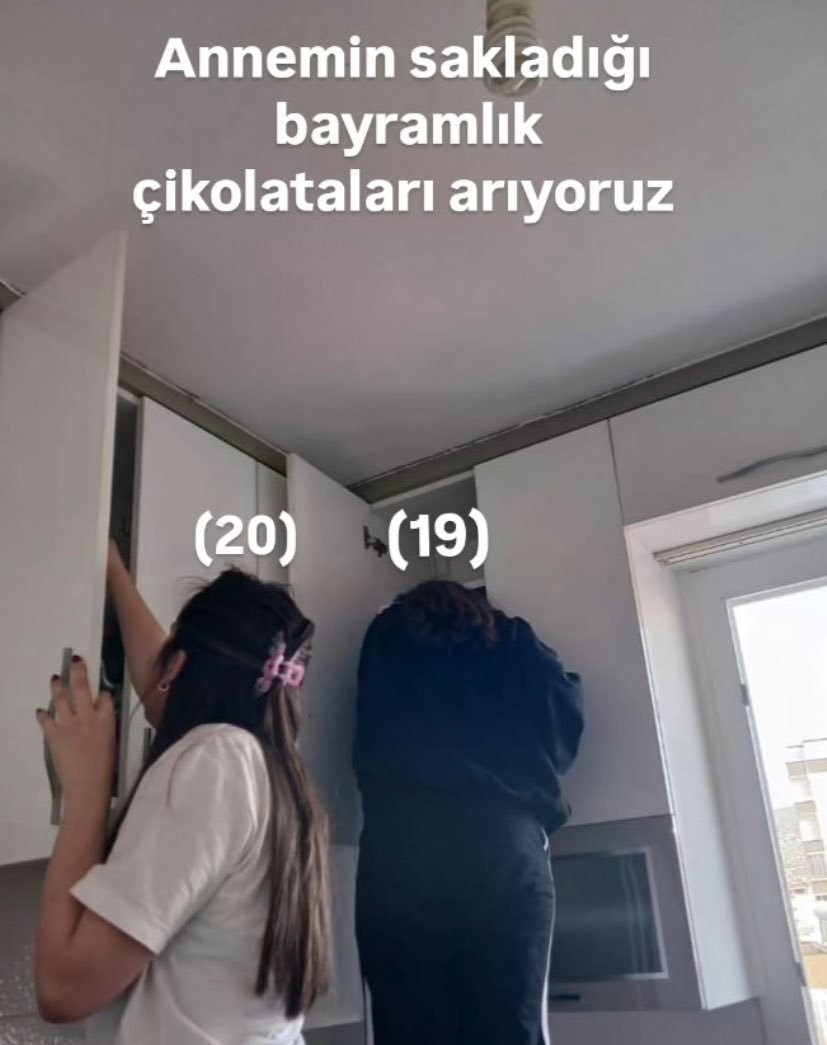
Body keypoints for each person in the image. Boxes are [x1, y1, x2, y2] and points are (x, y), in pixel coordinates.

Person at [34, 542, 330, 1045]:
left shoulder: (216, 759)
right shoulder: (273, 771)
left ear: (177, 667)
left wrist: (86, 790)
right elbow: (163, 684)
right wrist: (112, 569)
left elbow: (63, 989)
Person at [353, 580, 583, 1045]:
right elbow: (563, 728)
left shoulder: (386, 636)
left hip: (400, 844)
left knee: (409, 1026)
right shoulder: (513, 639)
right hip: (501, 843)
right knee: (509, 1024)